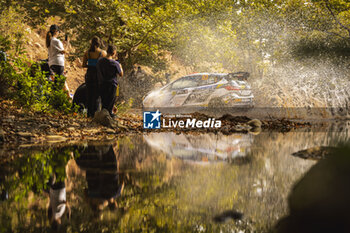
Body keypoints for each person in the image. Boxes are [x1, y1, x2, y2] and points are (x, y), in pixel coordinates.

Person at [82, 36, 107, 117]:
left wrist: (90, 64)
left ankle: (89, 114)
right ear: (99, 43)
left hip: (89, 75)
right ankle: (96, 113)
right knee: (97, 95)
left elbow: (83, 65)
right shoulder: (102, 53)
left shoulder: (87, 53)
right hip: (97, 76)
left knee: (89, 94)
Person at [96, 45, 123, 117]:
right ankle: (108, 116)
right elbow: (121, 74)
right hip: (112, 85)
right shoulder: (115, 63)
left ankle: (103, 116)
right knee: (110, 102)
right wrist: (120, 67)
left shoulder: (100, 61)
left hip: (102, 84)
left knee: (104, 102)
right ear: (114, 53)